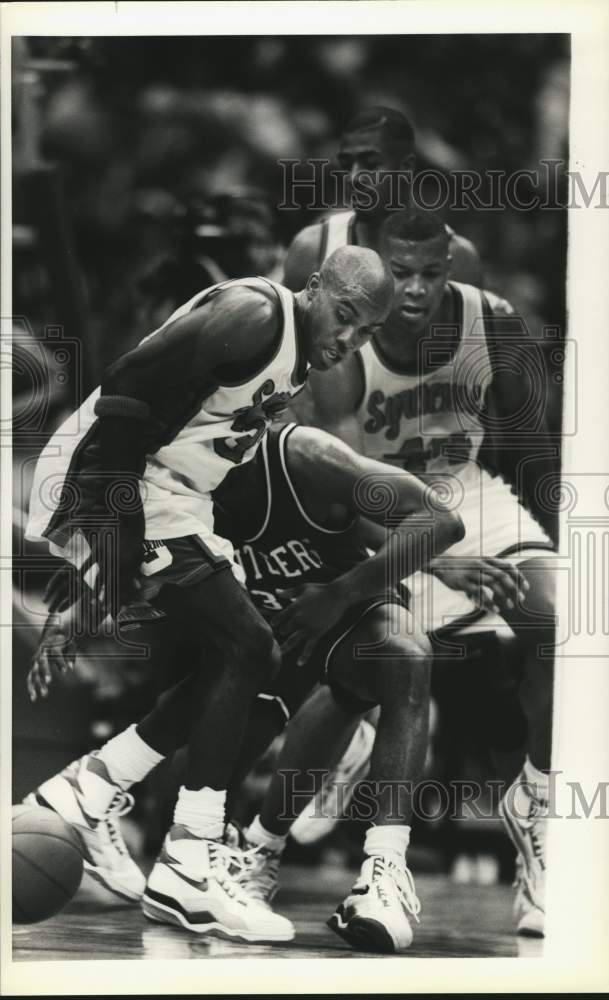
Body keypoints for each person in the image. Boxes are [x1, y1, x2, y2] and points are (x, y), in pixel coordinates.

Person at [23, 248, 394, 944]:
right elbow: (127, 394)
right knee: (249, 647)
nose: (348, 338)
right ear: (313, 288)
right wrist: (118, 531)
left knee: (251, 653)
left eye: (365, 331)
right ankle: (187, 865)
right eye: (343, 315)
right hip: (119, 481)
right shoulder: (255, 315)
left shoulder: (296, 359)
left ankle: (91, 789)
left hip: (174, 497)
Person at [26, 419, 463, 953]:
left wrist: (340, 595)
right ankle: (246, 851)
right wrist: (84, 603)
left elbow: (439, 520)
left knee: (404, 655)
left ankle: (384, 869)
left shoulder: (303, 456)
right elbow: (136, 557)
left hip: (337, 609)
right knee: (202, 776)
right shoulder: (171, 486)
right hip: (263, 637)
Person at [270, 209, 558, 938]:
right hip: (377, 505)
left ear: (450, 263)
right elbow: (343, 488)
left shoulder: (490, 321)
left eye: (433, 272)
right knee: (364, 674)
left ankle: (537, 803)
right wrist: (440, 556)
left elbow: (534, 452)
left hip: (465, 494)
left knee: (562, 616)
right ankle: (256, 843)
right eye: (401, 273)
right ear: (376, 265)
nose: (417, 289)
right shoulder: (342, 343)